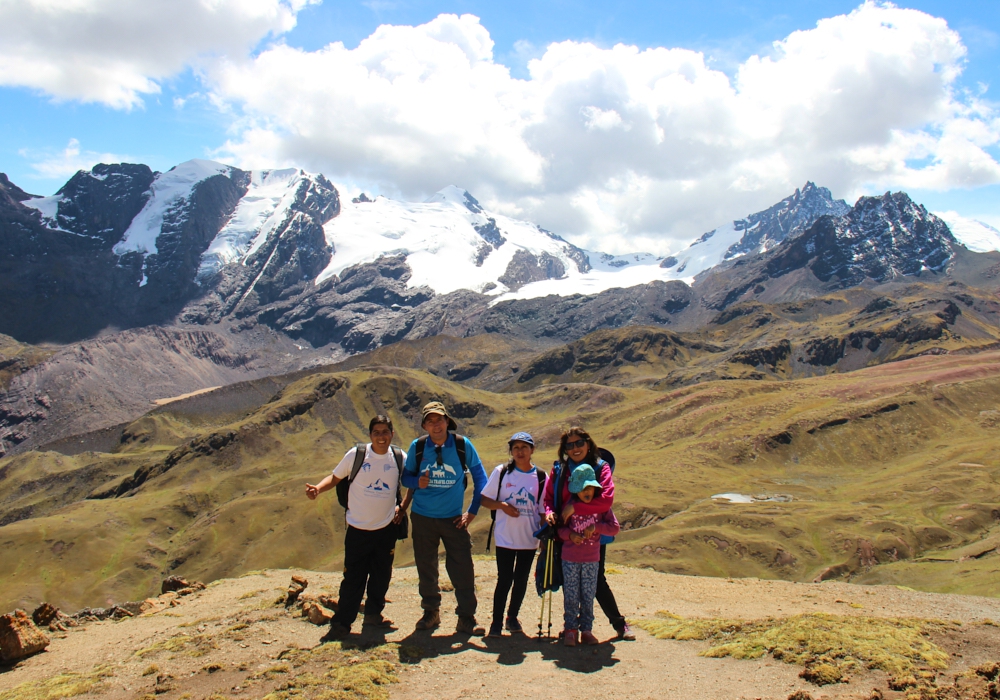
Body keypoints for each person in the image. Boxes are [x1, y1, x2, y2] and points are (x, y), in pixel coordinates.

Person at [305, 415, 412, 641]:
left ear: (392, 434)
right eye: (376, 432)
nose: (381, 437)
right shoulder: (357, 455)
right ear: (370, 435)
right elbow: (335, 478)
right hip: (357, 529)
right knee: (353, 578)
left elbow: (412, 483)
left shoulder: (400, 457)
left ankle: (373, 614)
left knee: (381, 576)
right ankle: (342, 623)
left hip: (386, 529)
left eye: (385, 432)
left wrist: (402, 508)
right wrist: (317, 488)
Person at [401, 401, 489, 635]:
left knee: (462, 568)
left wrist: (472, 511)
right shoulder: (418, 447)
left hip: (454, 519)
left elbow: (481, 478)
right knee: (426, 567)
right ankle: (431, 612)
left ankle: (467, 617)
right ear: (424, 425)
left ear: (447, 421)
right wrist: (415, 482)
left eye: (439, 419)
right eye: (430, 421)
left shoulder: (462, 445)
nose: (435, 424)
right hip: (423, 517)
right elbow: (405, 477)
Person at [543, 426, 635, 641]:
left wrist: (576, 508)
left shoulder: (600, 468)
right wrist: (549, 514)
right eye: (569, 445)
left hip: (592, 535)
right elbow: (549, 498)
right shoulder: (560, 469)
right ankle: (572, 628)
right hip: (564, 533)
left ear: (588, 443)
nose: (575, 448)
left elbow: (606, 500)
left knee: (596, 580)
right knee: (569, 580)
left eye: (579, 443)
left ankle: (618, 624)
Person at [480, 431, 545, 638]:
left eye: (524, 447)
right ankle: (497, 622)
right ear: (511, 451)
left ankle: (512, 617)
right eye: (516, 448)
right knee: (504, 579)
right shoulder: (501, 472)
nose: (520, 451)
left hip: (529, 538)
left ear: (532, 450)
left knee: (521, 579)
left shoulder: (542, 477)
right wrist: (502, 506)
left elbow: (544, 509)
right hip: (505, 537)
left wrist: (544, 535)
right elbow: (484, 500)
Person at [558, 465, 620, 645]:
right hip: (569, 558)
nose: (587, 492)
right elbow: (560, 530)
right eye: (583, 488)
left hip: (592, 560)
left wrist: (597, 528)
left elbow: (614, 528)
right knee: (571, 594)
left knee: (588, 595)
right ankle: (570, 629)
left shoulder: (602, 509)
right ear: (576, 490)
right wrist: (570, 535)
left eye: (590, 488)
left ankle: (586, 630)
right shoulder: (568, 507)